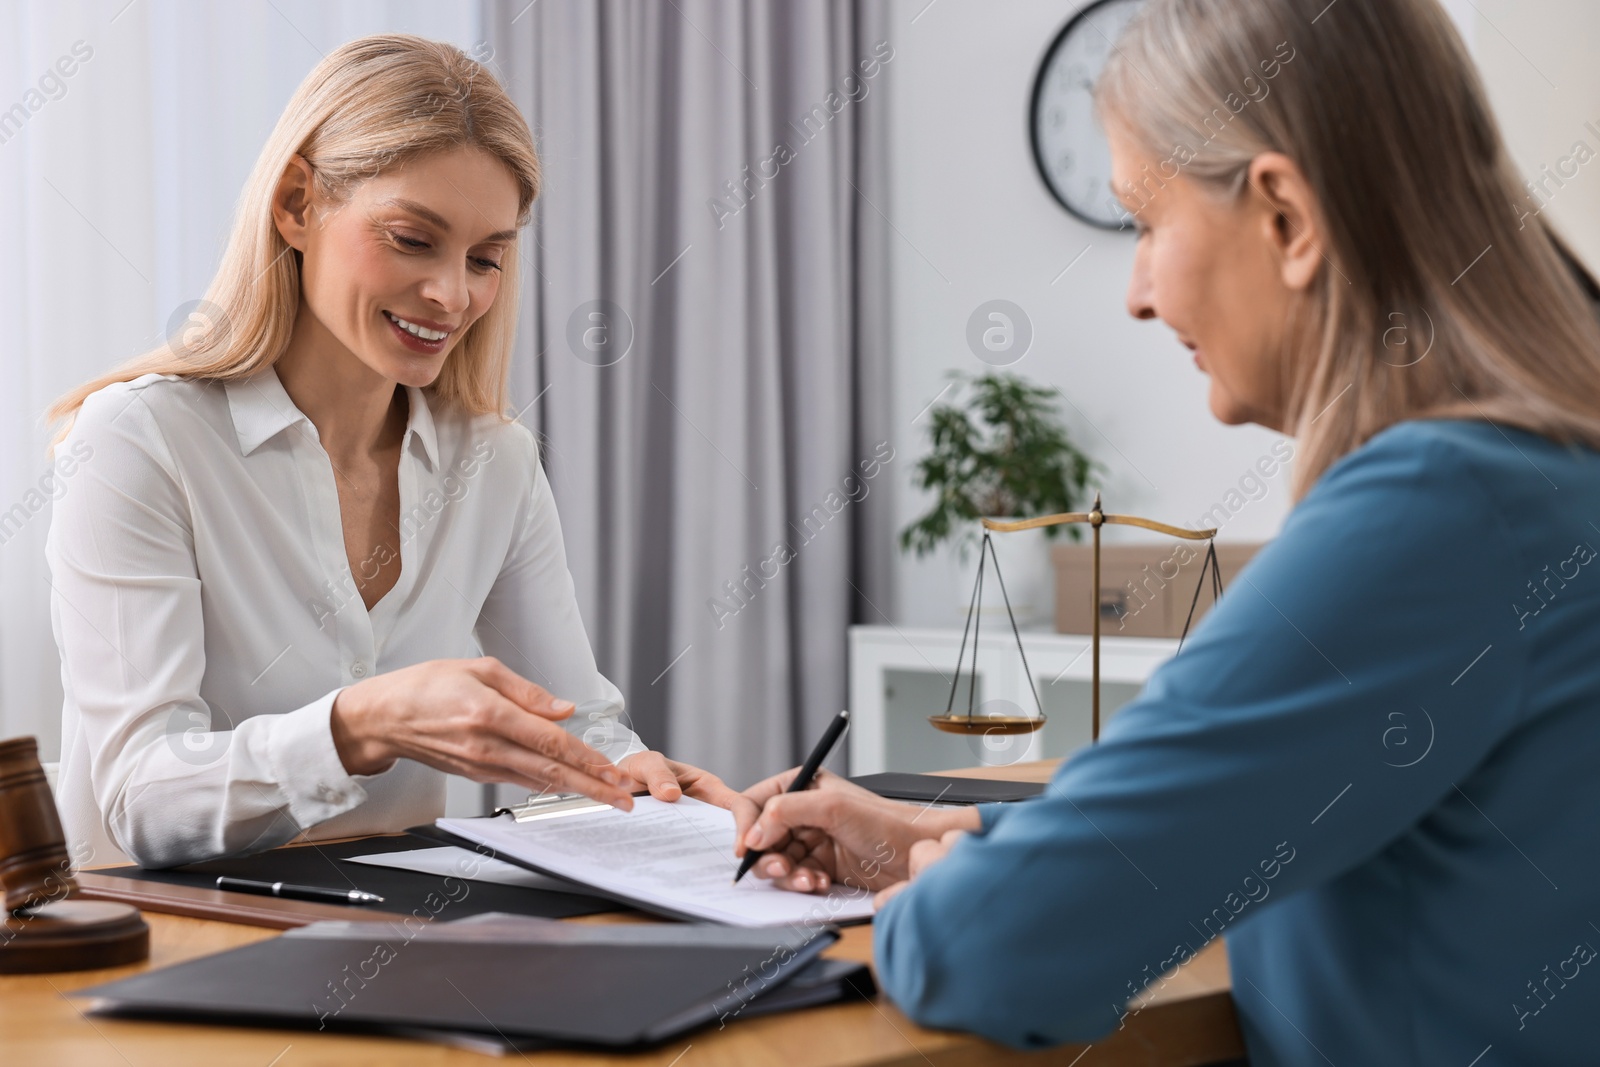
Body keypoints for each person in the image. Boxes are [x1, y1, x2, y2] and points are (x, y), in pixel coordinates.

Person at [732, 0, 1600, 1063]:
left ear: (1285, 217)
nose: (1139, 294)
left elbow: (1001, 948)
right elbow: (1241, 823)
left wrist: (951, 889)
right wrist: (946, 837)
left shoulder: (1440, 508)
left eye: (1145, 223)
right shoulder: (1548, 477)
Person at [45, 35, 748, 870]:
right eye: (414, 240)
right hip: (162, 946)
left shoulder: (497, 463)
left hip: (399, 947)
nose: (454, 295)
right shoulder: (139, 440)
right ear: (298, 203)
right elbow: (143, 796)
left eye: (486, 258)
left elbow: (576, 725)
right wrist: (360, 724)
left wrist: (639, 783)